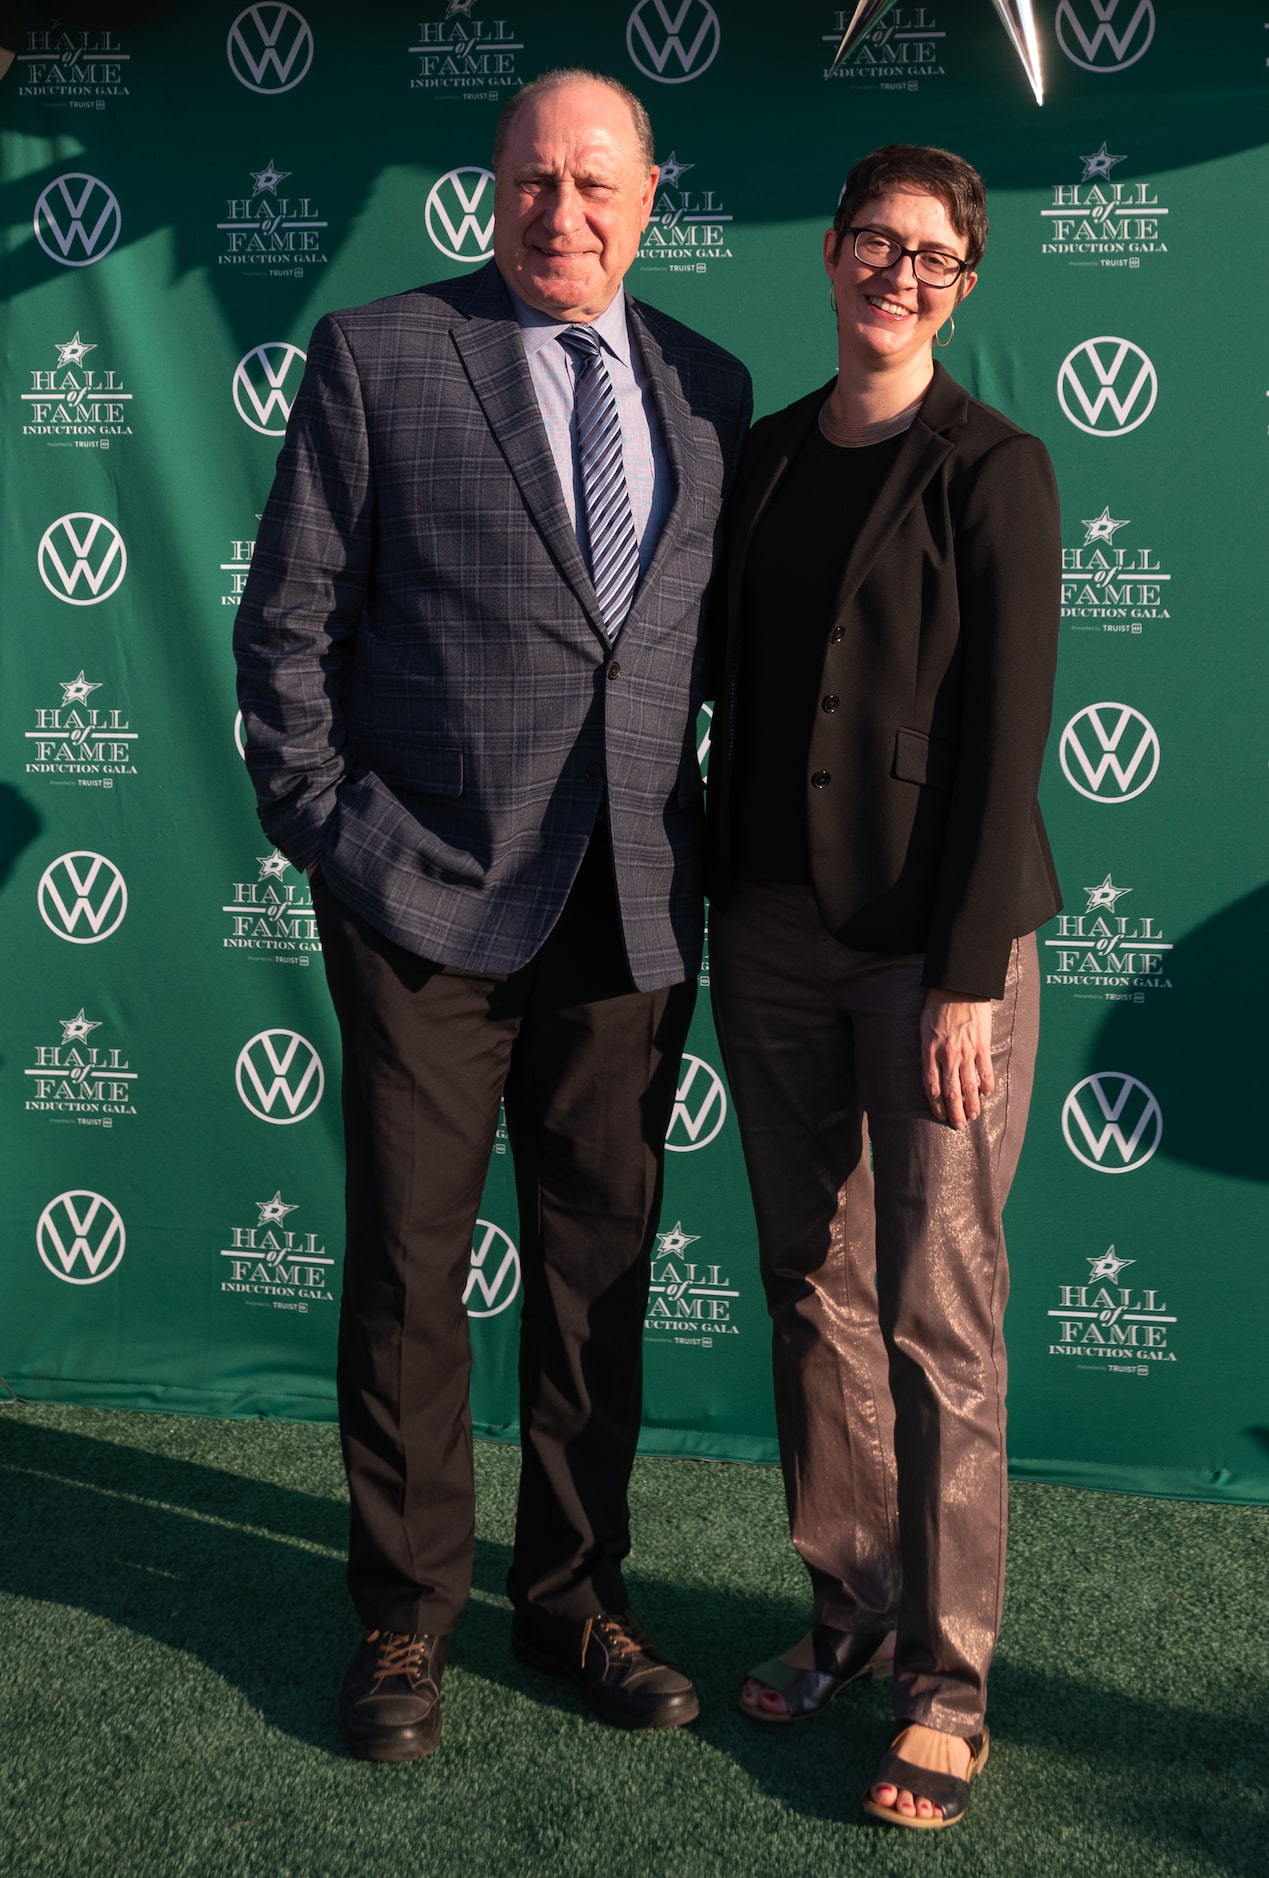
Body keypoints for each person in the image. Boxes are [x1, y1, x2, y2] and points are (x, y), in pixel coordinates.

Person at [234, 68, 751, 1762]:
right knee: (405, 1274)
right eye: (534, 180)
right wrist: (330, 829)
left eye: (596, 184)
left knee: (599, 1274)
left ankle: (574, 1597)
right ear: (491, 188)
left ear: (650, 197)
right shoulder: (382, 354)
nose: (563, 213)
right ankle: (403, 1620)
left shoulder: (710, 388)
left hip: (628, 908)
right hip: (421, 902)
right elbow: (288, 621)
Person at [707, 144, 1061, 1829]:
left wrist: (968, 979)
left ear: (964, 284)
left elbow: (1006, 740)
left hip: (934, 955)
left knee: (937, 1314)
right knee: (809, 1285)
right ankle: (845, 1608)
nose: (897, 275)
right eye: (873, 242)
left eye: (932, 257)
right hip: (768, 931)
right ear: (828, 252)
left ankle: (947, 1679)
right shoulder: (765, 456)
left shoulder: (994, 467)